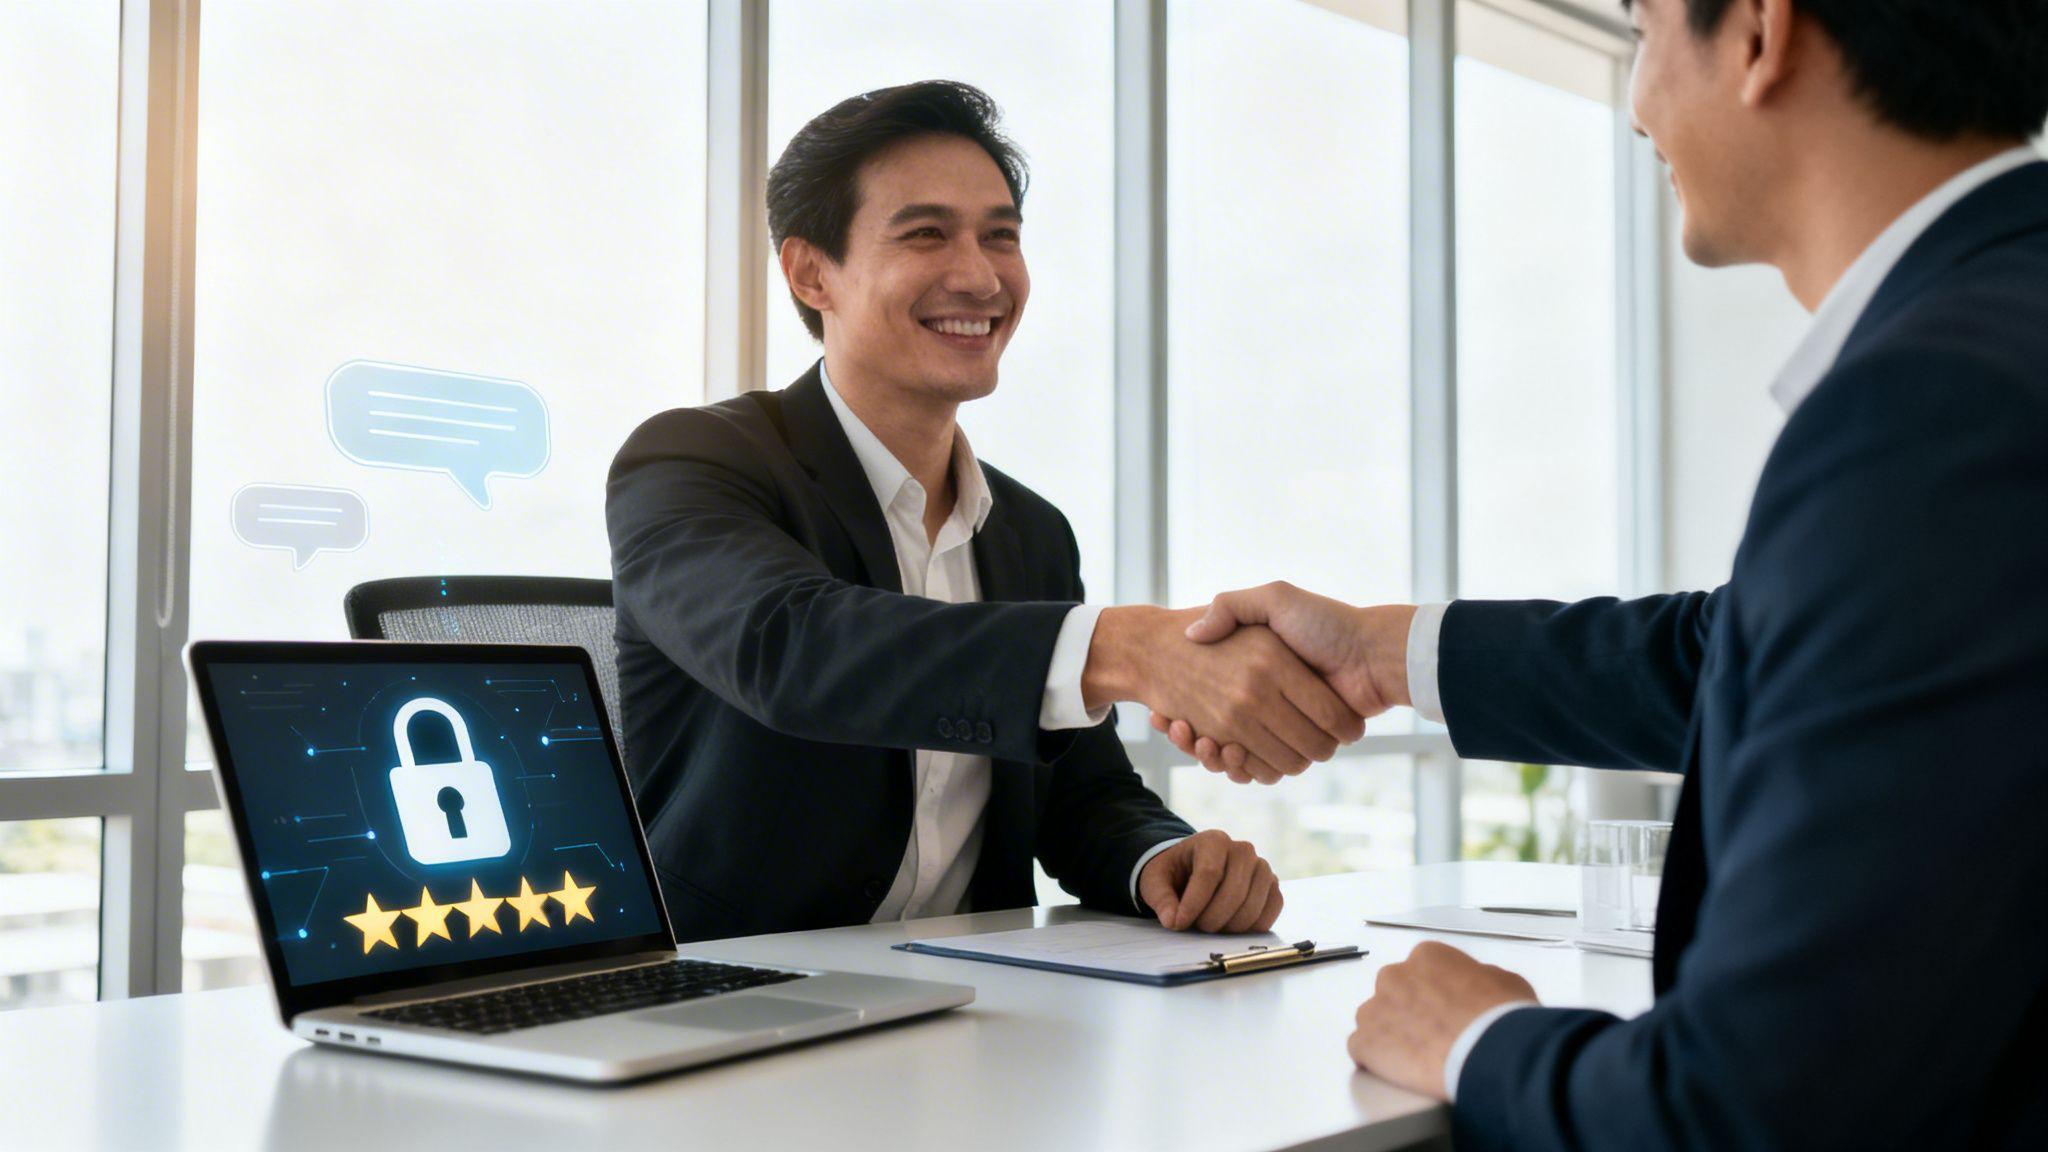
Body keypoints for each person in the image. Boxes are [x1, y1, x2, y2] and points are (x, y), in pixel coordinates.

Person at [1156, 0, 2048, 1145]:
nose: (1634, 106)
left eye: (1640, 29)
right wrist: (1386, 654)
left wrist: (1477, 1039)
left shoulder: (1926, 409)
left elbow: (1760, 1109)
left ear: (1759, 35)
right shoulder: (1995, 346)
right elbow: (1748, 650)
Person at [607, 80, 1361, 944]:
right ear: (812, 272)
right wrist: (1121, 649)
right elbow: (792, 648)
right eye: (926, 234)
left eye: (1000, 236)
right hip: (733, 989)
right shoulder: (693, 462)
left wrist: (1161, 860)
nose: (979, 274)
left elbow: (1082, 793)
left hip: (973, 1003)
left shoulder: (1030, 532)